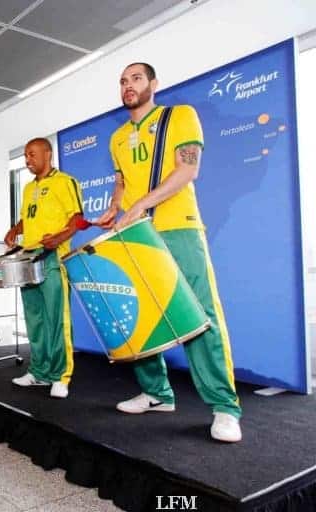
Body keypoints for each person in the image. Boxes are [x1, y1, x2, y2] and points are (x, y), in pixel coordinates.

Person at [97, 62, 242, 442]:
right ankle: (157, 392)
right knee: (142, 318)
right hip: (134, 234)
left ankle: (224, 407)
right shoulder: (116, 138)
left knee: (200, 314)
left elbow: (187, 171)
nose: (128, 86)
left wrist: (142, 203)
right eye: (123, 81)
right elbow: (121, 182)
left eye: (136, 79)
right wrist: (116, 206)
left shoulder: (179, 116)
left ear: (154, 84)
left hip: (178, 226)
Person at [4, 138, 84, 398]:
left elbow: (78, 218)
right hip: (29, 258)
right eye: (25, 156)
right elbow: (29, 217)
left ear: (47, 154)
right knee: (35, 319)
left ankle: (61, 375)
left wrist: (60, 238)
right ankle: (39, 372)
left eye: (32, 154)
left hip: (53, 258)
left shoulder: (65, 182)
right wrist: (16, 229)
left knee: (56, 319)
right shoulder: (28, 189)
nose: (27, 160)